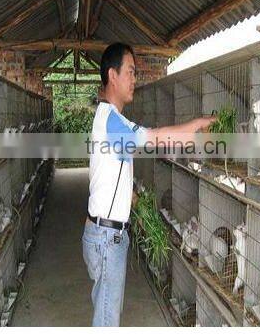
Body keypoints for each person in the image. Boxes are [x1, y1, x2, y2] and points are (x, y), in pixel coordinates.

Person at [82, 42, 216, 326]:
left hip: (102, 231)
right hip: (107, 237)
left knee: (105, 309)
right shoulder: (113, 122)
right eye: (130, 72)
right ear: (112, 75)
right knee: (106, 319)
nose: (134, 79)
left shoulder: (107, 117)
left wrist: (130, 197)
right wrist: (197, 125)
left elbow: (109, 168)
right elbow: (154, 138)